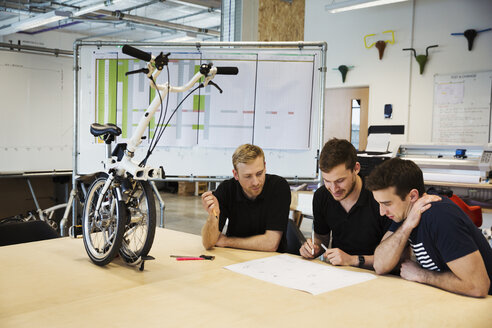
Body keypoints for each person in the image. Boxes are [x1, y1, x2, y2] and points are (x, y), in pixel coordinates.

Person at [366, 157, 492, 297]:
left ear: (412, 196)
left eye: (387, 204)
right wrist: (407, 225)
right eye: (379, 204)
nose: (382, 212)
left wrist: (422, 275)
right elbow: (380, 264)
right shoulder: (404, 213)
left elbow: (478, 286)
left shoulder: (440, 217)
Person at [299, 138, 391, 269]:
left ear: (356, 168)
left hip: (378, 274)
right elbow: (321, 238)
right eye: (327, 181)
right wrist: (313, 247)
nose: (334, 188)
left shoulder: (378, 197)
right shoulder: (322, 196)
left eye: (340, 180)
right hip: (341, 271)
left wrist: (352, 260)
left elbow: (394, 257)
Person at [201, 144, 291, 252]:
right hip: (234, 257)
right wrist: (213, 216)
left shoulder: (278, 187)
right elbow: (208, 244)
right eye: (248, 176)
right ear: (236, 174)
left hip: (271, 260)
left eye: (259, 173)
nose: (256, 182)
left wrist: (227, 241)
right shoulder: (226, 189)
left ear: (265, 166)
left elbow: (271, 244)